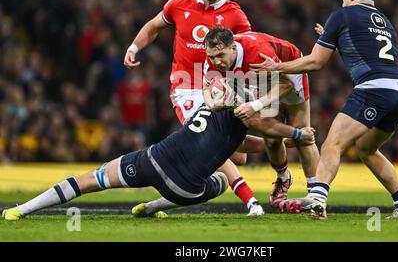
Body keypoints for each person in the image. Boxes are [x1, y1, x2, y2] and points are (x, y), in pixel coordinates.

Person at [250, 0, 398, 219]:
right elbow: (365, 49)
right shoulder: (385, 21)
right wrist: (330, 35)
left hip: (373, 89)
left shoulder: (342, 16)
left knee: (333, 144)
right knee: (366, 149)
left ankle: (317, 198)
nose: (342, 1)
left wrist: (275, 67)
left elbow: (315, 63)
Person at [2, 103, 315, 221]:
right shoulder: (244, 118)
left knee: (89, 180)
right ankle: (152, 207)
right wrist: (297, 135)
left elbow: (250, 144)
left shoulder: (213, 107)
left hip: (152, 159)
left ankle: (21, 210)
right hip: (183, 189)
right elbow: (262, 139)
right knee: (220, 179)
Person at [123, 0, 265, 215]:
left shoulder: (235, 14)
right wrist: (134, 47)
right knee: (212, 142)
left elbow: (248, 48)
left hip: (221, 86)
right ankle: (251, 200)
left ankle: (284, 142)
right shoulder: (179, 4)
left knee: (239, 155)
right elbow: (154, 26)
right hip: (186, 85)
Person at [202, 27, 320, 210]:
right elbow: (205, 84)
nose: (216, 62)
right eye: (211, 57)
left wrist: (255, 105)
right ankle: (283, 178)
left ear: (233, 49)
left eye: (220, 55)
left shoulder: (257, 52)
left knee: (303, 138)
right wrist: (212, 104)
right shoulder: (212, 56)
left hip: (290, 72)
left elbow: (286, 84)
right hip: (261, 80)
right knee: (271, 140)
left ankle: (316, 195)